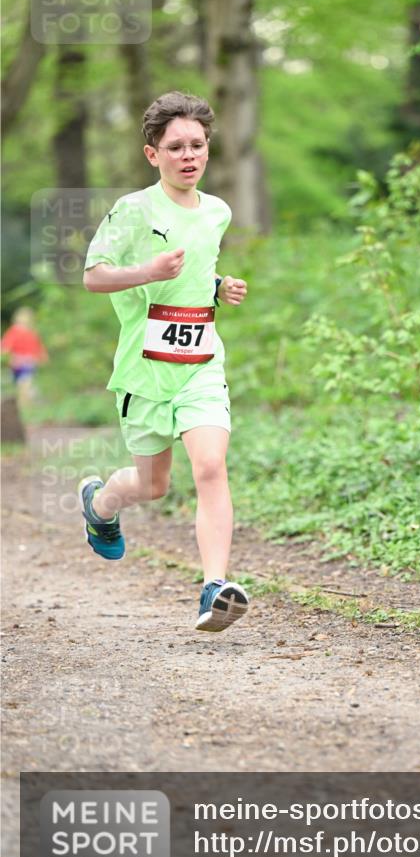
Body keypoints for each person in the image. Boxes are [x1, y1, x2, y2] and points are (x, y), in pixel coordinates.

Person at [78, 90, 250, 632]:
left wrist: (219, 288)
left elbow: (197, 270)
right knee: (153, 486)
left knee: (210, 466)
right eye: (175, 147)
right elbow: (93, 276)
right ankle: (100, 506)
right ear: (153, 154)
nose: (189, 155)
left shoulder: (217, 211)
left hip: (201, 362)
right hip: (145, 371)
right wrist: (147, 272)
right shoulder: (133, 211)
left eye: (197, 145)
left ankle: (214, 589)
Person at [1, 306, 49, 407]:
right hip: (16, 363)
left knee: (25, 382)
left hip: (28, 362)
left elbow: (38, 346)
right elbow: (6, 344)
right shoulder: (14, 332)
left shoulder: (32, 333)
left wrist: (43, 356)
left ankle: (25, 404)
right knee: (20, 384)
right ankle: (26, 402)